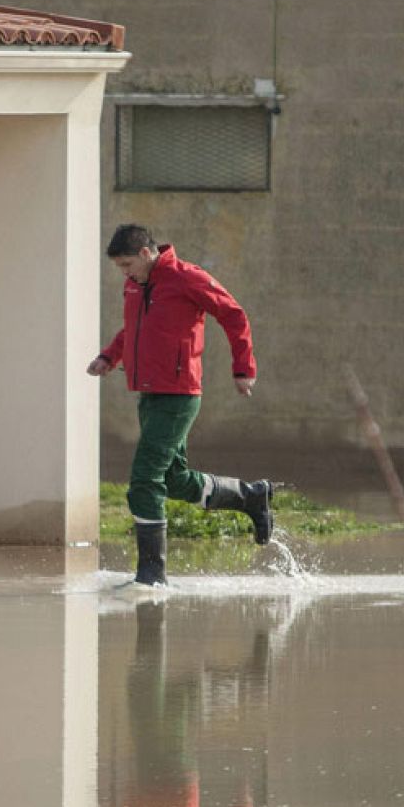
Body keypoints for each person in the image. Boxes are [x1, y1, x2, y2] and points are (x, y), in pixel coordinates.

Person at [87, 224, 273, 587]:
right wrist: (108, 357)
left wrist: (243, 368)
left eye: (127, 265)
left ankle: (151, 576)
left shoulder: (187, 278)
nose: (124, 274)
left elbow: (233, 314)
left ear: (145, 253)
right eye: (120, 269)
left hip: (179, 395)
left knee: (144, 479)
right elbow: (132, 329)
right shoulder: (136, 285)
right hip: (149, 394)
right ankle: (252, 497)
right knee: (174, 480)